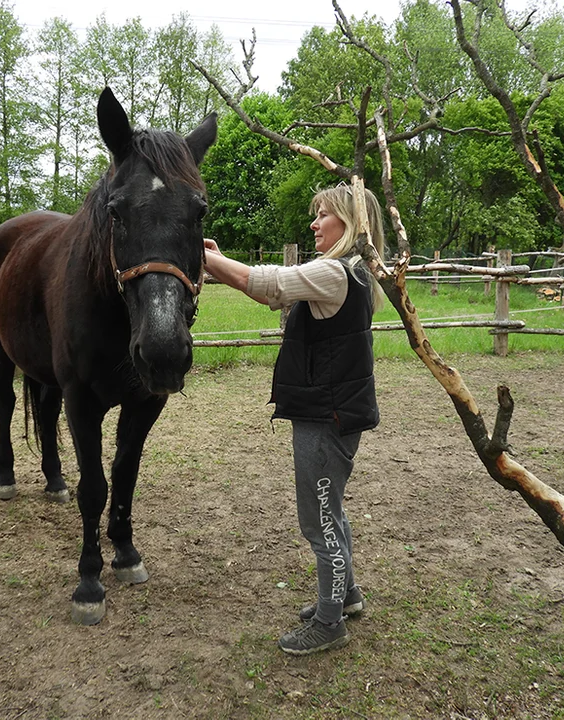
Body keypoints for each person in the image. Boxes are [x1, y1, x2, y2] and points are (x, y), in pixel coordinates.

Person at [203, 182, 384, 655]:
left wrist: (206, 260)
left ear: (349, 222)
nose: (314, 223)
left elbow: (272, 285)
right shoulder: (354, 273)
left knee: (319, 519)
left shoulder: (336, 274)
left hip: (327, 415)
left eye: (322, 214)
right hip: (335, 410)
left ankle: (329, 623)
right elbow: (272, 287)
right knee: (332, 511)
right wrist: (221, 260)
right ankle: (344, 595)